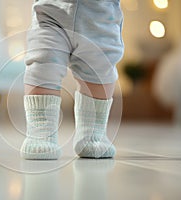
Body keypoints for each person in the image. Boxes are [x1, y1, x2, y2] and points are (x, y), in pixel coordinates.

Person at [20, 0, 124, 159]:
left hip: (101, 15)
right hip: (51, 12)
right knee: (44, 61)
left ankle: (93, 133)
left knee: (100, 68)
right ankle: (41, 129)